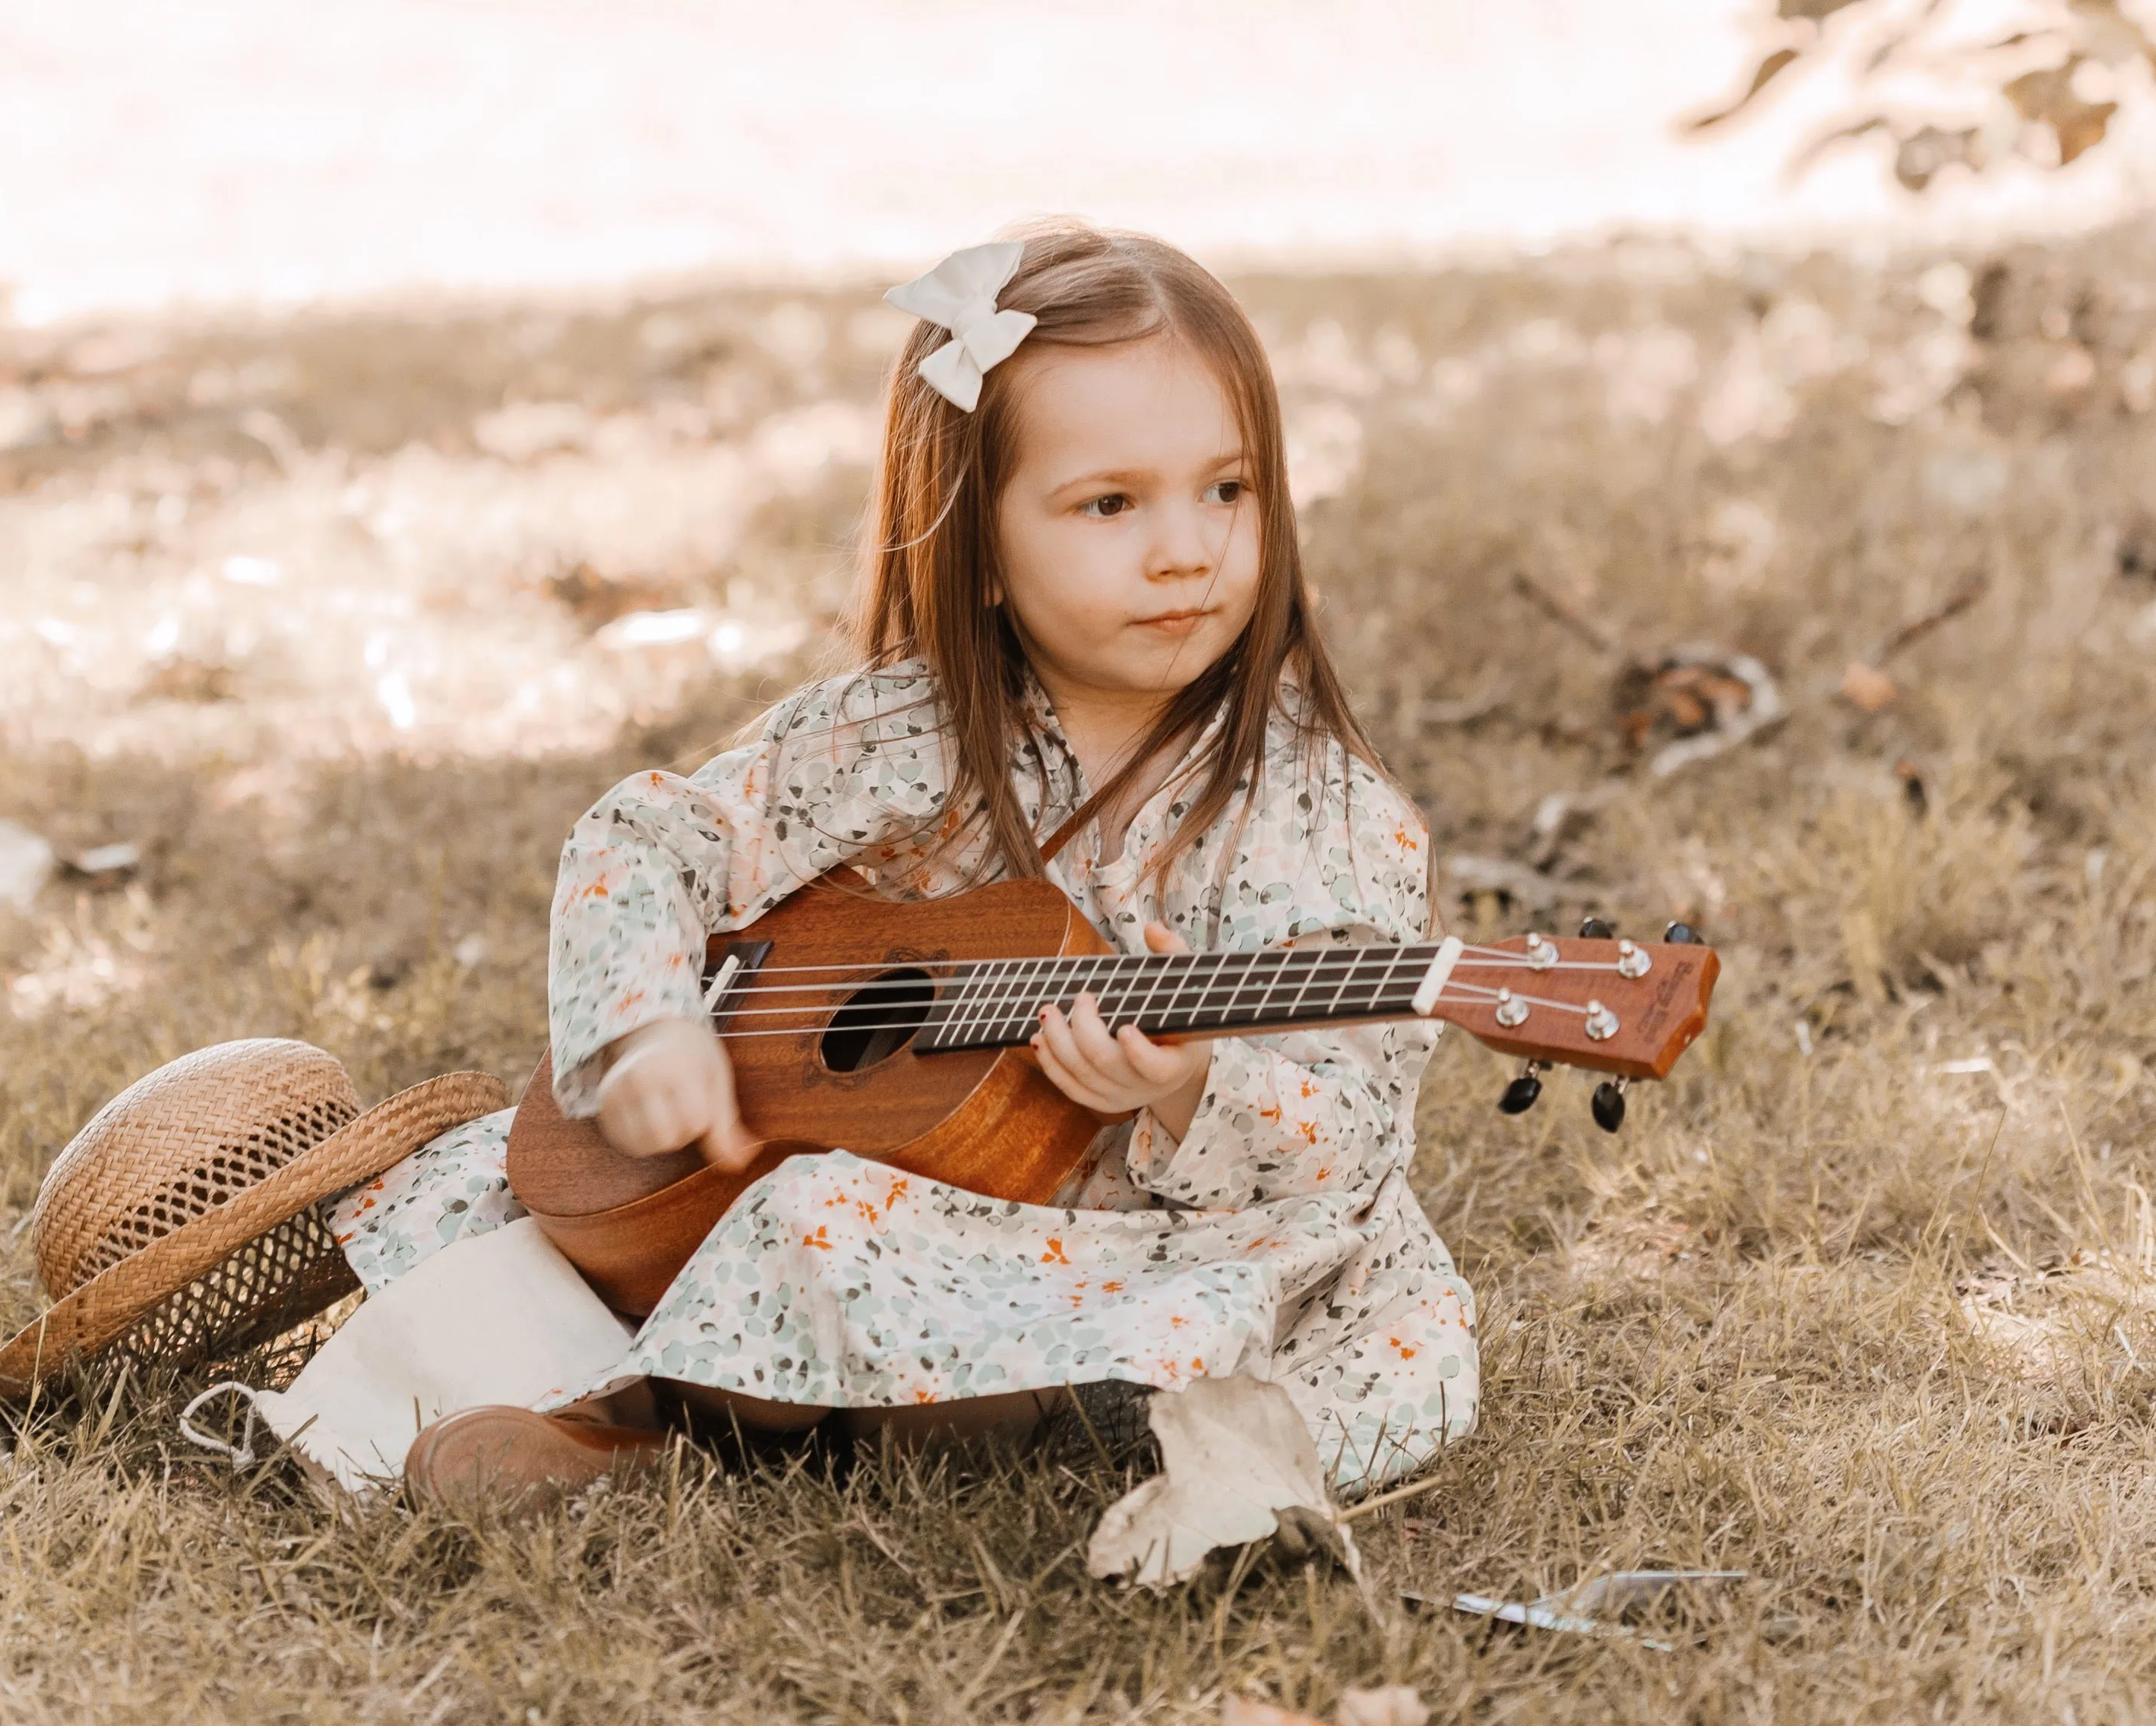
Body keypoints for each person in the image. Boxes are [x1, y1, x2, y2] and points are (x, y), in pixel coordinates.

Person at [332, 220, 1479, 1503]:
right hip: (846, 1173)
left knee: (874, 1251)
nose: (1186, 548)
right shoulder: (896, 735)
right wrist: (647, 1024)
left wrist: (1192, 1085)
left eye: (1228, 488)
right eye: (1111, 503)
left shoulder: (1327, 813)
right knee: (545, 1199)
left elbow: (1357, 1138)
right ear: (978, 549)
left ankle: (668, 1431)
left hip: (1152, 1246)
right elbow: (647, 835)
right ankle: (797, 1413)